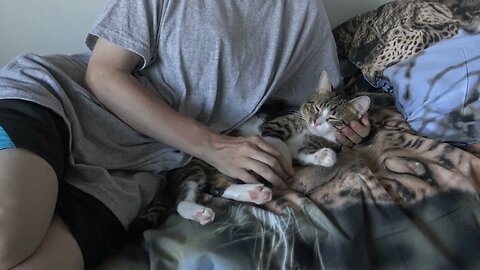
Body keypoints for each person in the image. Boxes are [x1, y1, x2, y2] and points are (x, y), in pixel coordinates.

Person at [0, 0, 370, 269]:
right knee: (6, 242)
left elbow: (319, 102)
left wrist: (347, 125)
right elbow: (103, 74)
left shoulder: (303, 13)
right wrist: (214, 146)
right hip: (60, 103)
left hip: (137, 176)